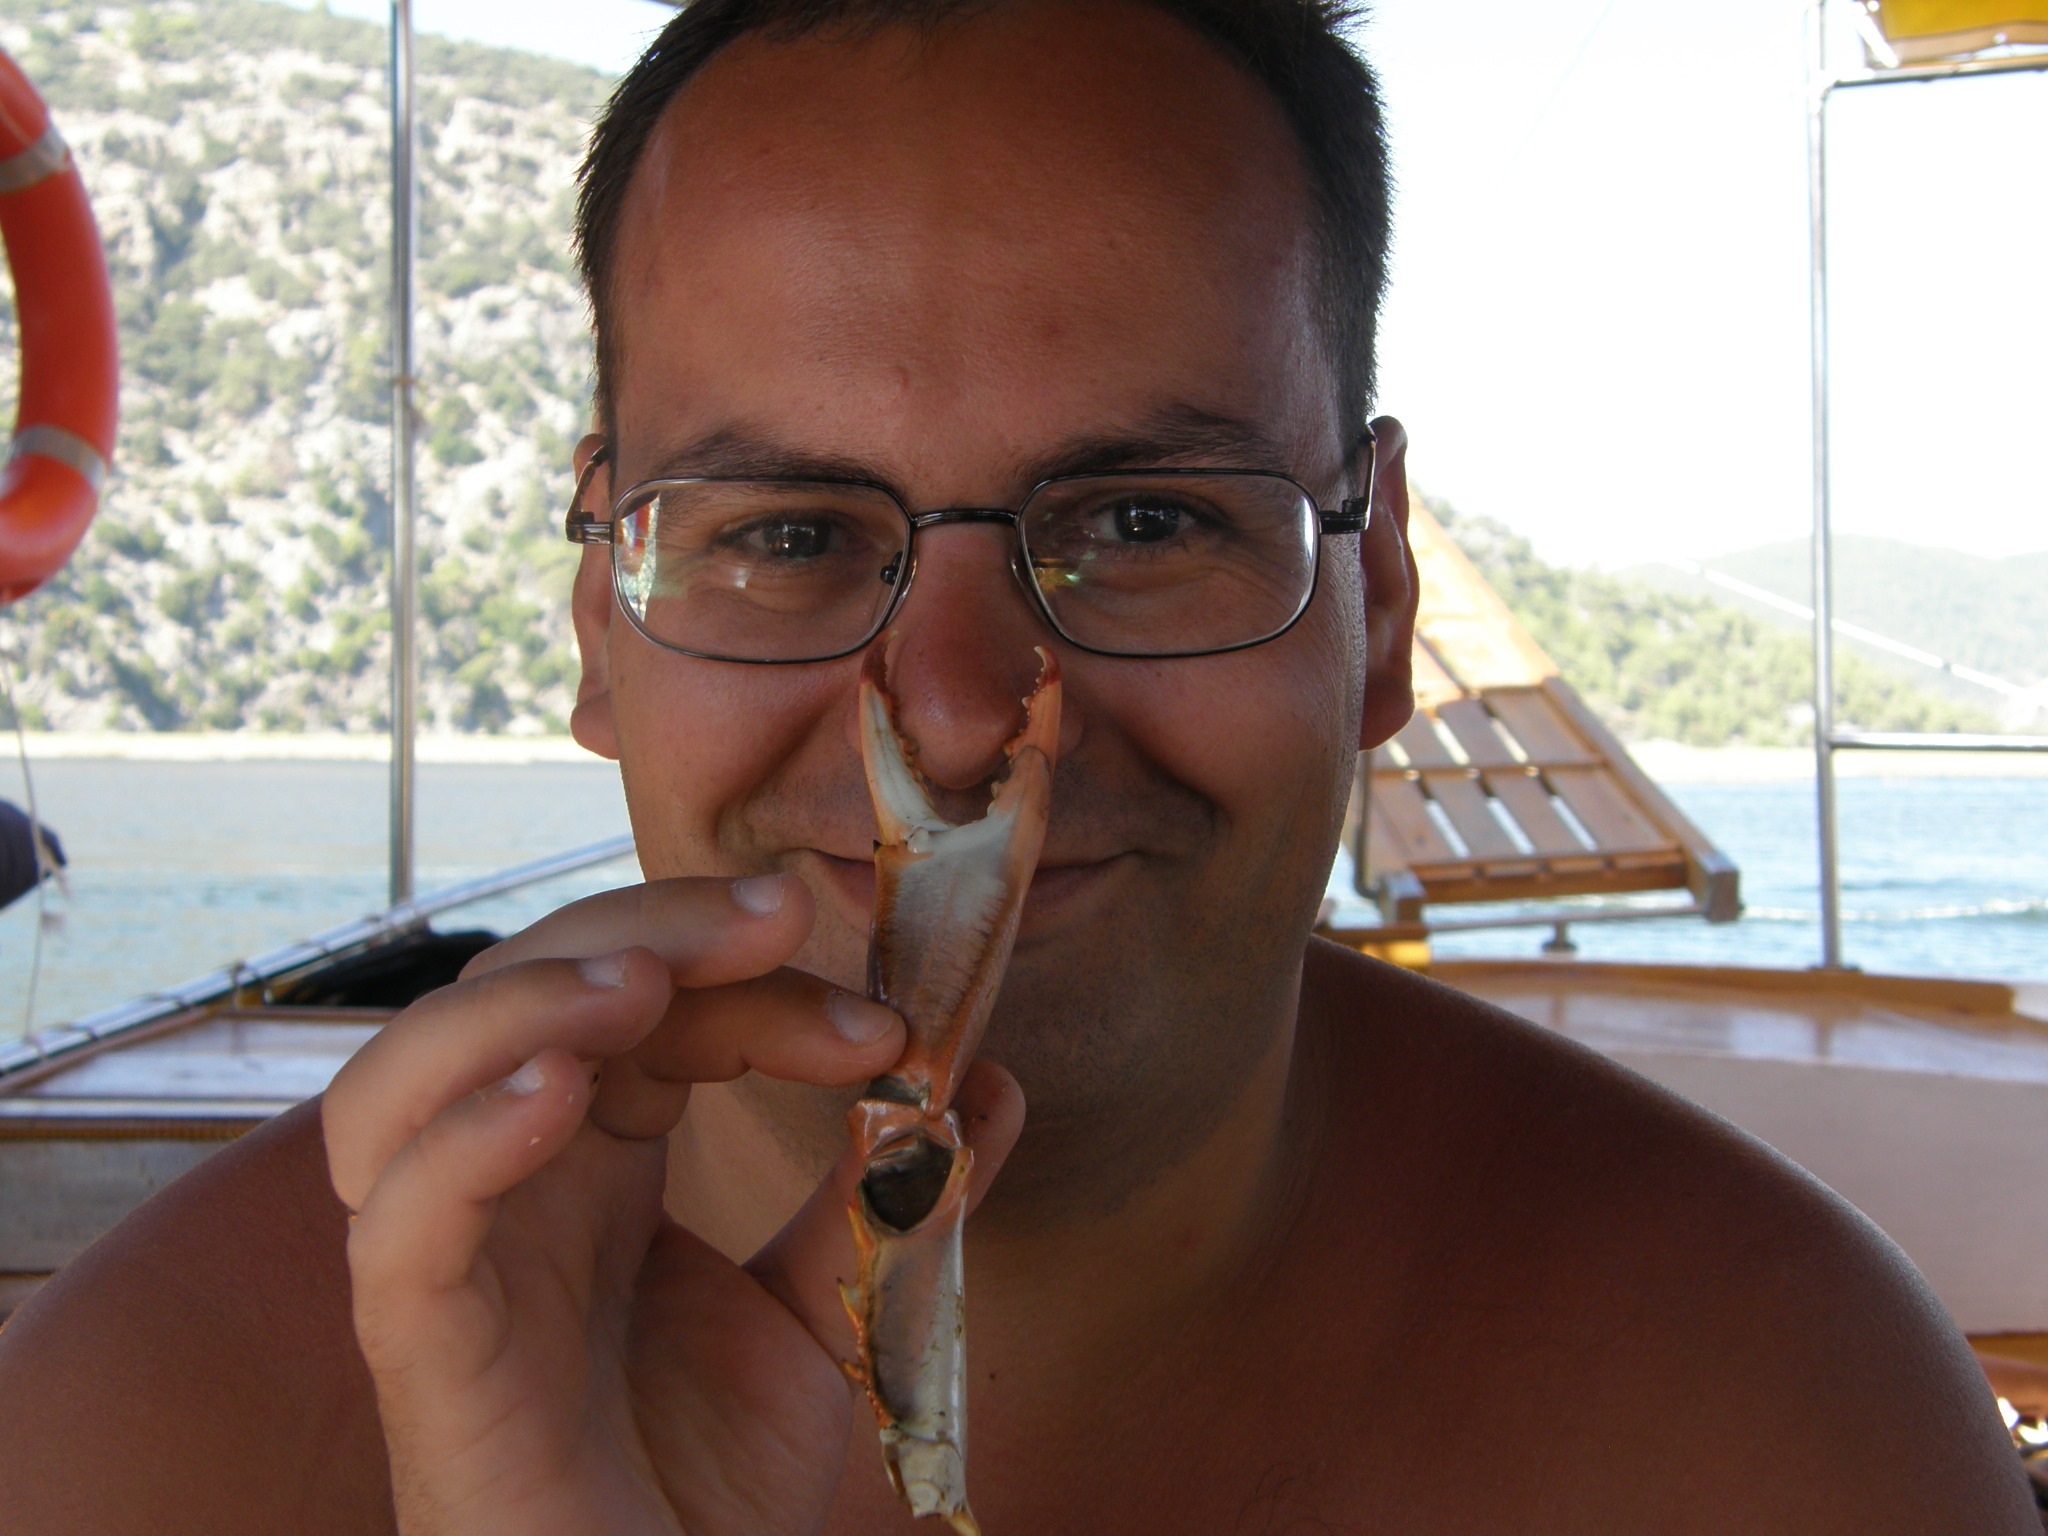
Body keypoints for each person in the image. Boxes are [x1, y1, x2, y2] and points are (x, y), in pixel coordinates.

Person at [0, 2, 2032, 1531]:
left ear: (1378, 601)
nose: (962, 714)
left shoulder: (1775, 1424)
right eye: (789, 536)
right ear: (602, 626)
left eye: (1144, 521)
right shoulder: (147, 1434)